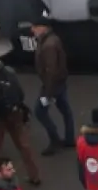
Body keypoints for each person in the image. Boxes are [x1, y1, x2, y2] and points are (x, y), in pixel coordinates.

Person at [30, 19, 73, 155]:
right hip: (59, 82)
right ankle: (69, 138)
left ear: (43, 28)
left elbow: (51, 70)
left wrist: (48, 93)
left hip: (51, 85)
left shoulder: (48, 45)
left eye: (35, 27)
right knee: (65, 110)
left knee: (40, 112)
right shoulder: (52, 39)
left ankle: (54, 140)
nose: (32, 30)